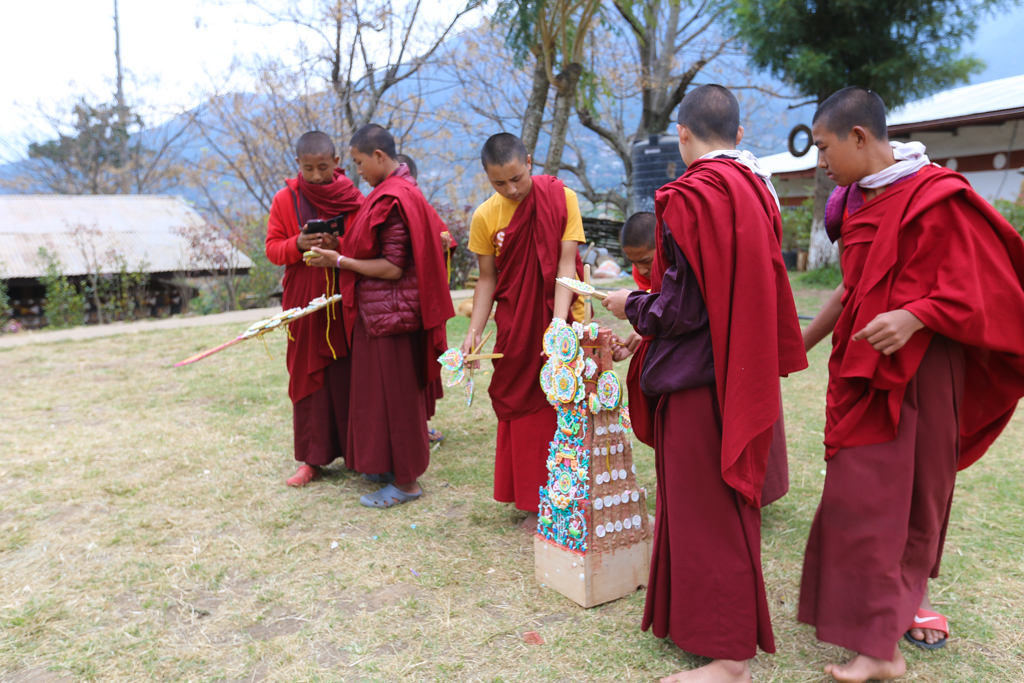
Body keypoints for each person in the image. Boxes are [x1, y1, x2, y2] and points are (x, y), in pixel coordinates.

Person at [797, 86, 1024, 683]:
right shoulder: (855, 203)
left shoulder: (938, 196)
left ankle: (881, 649)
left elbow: (987, 287)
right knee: (859, 495)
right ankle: (877, 628)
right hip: (865, 370)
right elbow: (850, 288)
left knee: (910, 500)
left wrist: (917, 314)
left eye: (824, 148)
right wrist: (801, 346)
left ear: (859, 138)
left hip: (924, 376)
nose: (821, 162)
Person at [602, 84, 806, 683]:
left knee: (707, 511)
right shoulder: (753, 189)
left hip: (699, 377)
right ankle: (699, 627)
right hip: (734, 368)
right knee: (707, 506)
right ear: (739, 136)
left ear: (683, 136)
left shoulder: (690, 195)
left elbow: (681, 308)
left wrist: (632, 306)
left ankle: (730, 660)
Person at [308, 124, 455, 508]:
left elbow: (392, 266)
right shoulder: (391, 193)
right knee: (380, 400)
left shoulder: (395, 198)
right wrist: (339, 246)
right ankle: (388, 469)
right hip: (382, 313)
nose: (356, 170)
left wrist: (339, 260)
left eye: (357, 162)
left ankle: (407, 483)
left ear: (378, 156)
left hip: (392, 316)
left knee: (398, 402)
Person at [462, 132, 586, 524]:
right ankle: (533, 500)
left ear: (529, 162)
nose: (512, 189)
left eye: (517, 177)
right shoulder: (485, 216)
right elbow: (487, 279)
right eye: (500, 183)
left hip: (562, 314)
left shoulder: (561, 198)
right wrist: (475, 331)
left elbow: (567, 265)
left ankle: (573, 494)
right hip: (516, 324)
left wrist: (558, 324)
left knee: (563, 404)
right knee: (524, 407)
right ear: (487, 177)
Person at [265, 131, 364, 487]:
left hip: (343, 295)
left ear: (337, 163)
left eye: (324, 167)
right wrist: (297, 243)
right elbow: (273, 249)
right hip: (304, 302)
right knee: (307, 378)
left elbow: (365, 244)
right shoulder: (285, 199)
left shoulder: (352, 197)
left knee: (350, 376)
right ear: (298, 166)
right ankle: (312, 460)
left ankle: (358, 454)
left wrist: (340, 246)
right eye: (309, 169)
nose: (318, 176)